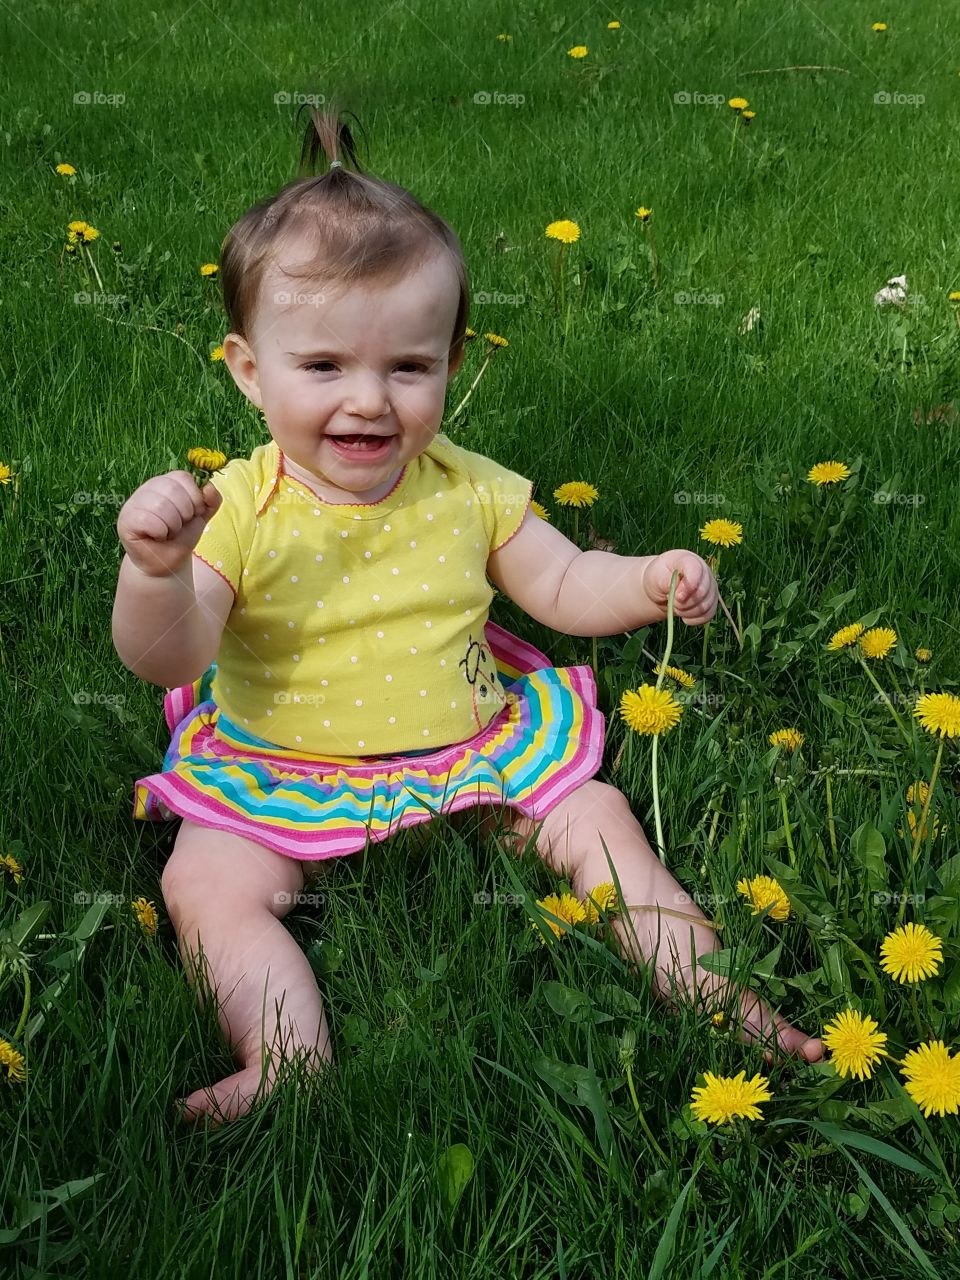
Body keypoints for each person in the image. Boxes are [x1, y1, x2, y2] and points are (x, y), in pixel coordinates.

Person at [113, 104, 823, 1127]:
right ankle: (285, 1055)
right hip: (278, 757)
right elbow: (166, 654)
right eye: (323, 368)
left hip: (468, 744)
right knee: (207, 882)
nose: (370, 400)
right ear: (248, 369)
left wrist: (649, 580)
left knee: (597, 814)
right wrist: (155, 572)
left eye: (409, 366)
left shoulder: (468, 488)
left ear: (451, 363)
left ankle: (711, 984)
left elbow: (567, 584)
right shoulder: (238, 508)